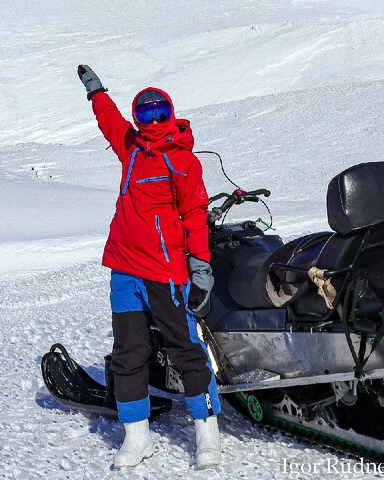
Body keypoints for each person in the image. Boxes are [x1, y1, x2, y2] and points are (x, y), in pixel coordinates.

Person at [76, 65, 222, 470]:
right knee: (128, 352)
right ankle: (137, 436)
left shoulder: (183, 162)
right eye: (146, 114)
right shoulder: (131, 147)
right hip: (124, 269)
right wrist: (96, 92)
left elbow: (194, 215)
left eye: (161, 113)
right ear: (138, 119)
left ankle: (207, 431)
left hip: (165, 271)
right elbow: (110, 122)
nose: (154, 121)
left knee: (184, 349)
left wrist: (201, 266)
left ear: (171, 115)